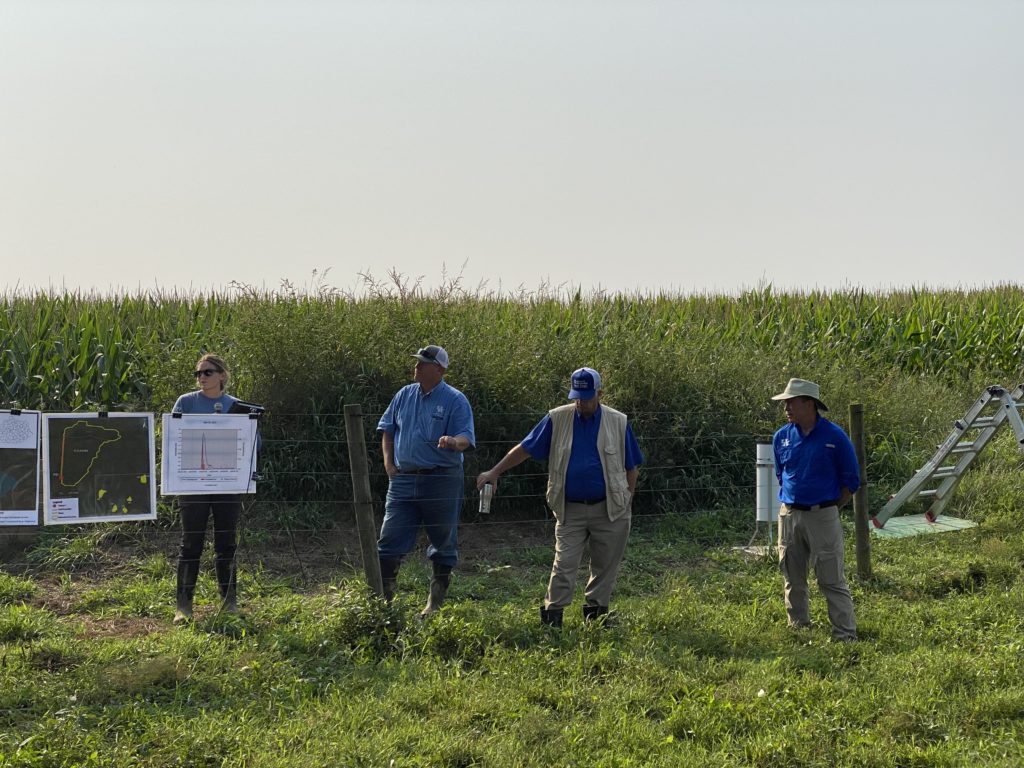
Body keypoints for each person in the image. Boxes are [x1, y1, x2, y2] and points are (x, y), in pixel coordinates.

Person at [477, 367, 642, 627]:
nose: (581, 402)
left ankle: (596, 618)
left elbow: (632, 467)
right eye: (576, 396)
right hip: (569, 510)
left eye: (587, 397)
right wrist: (495, 471)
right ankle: (552, 622)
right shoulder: (556, 419)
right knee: (564, 565)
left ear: (600, 393)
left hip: (611, 509)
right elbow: (526, 448)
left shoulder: (618, 422)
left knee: (605, 567)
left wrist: (626, 500)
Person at [377, 345, 476, 617]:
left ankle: (433, 606)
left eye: (424, 363)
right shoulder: (403, 395)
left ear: (440, 370)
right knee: (388, 540)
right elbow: (387, 430)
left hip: (441, 480)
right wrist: (388, 464)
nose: (417, 367)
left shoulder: (455, 400)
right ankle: (383, 605)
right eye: (417, 362)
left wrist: (454, 442)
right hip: (403, 480)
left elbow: (467, 437)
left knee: (444, 541)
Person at [771, 378, 861, 642]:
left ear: (809, 404)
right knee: (792, 575)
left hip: (823, 514)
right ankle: (798, 627)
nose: (786, 407)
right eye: (785, 403)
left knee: (831, 577)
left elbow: (851, 480)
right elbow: (781, 474)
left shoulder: (835, 437)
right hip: (789, 514)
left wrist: (828, 507)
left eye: (791, 402)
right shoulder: (782, 437)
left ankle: (845, 634)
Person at [171, 353, 250, 624]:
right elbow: (173, 439)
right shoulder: (185, 402)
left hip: (227, 483)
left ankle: (229, 604)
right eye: (198, 373)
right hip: (192, 484)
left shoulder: (237, 406)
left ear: (222, 376)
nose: (201, 378)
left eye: (207, 372)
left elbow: (254, 444)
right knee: (190, 544)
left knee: (226, 543)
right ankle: (183, 608)